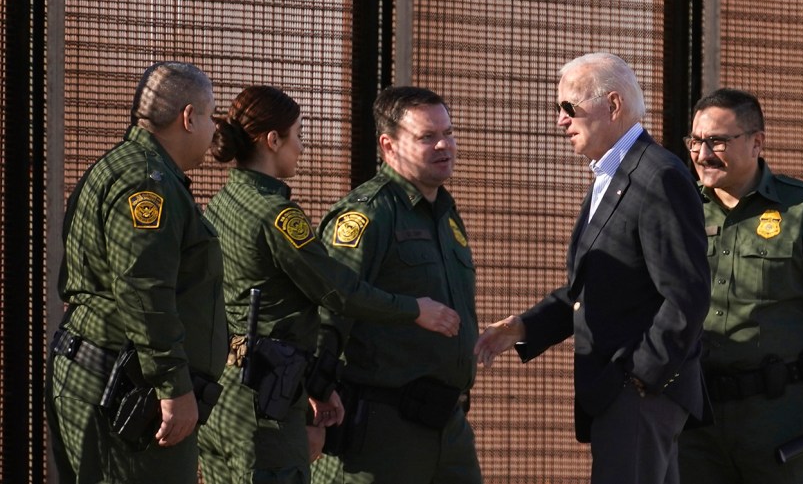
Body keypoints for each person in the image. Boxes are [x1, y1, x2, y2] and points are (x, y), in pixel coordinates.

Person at [196, 85, 461, 483]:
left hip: (224, 393)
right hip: (266, 400)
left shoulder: (222, 203)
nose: (302, 147)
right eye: (298, 135)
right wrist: (414, 309)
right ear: (273, 141)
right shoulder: (277, 214)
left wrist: (316, 389)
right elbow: (338, 290)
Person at [473, 52, 710, 484]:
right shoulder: (613, 174)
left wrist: (640, 377)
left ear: (613, 105)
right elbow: (594, 288)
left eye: (569, 107)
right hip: (623, 394)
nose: (560, 121)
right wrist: (523, 327)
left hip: (639, 394)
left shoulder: (657, 176)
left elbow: (686, 294)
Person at [677, 88, 803, 483]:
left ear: (756, 143)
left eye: (717, 140)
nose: (702, 154)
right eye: (695, 141)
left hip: (778, 418)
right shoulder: (679, 209)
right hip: (695, 419)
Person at [47, 61, 228, 483]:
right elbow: (144, 289)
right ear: (188, 117)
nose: (214, 132)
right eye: (210, 117)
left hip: (110, 377)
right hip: (128, 390)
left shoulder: (122, 168)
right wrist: (174, 386)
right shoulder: (149, 183)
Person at [310, 86, 482, 483]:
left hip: (449, 427)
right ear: (388, 146)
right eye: (427, 137)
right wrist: (315, 397)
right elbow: (329, 307)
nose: (445, 145)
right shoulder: (368, 215)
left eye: (449, 132)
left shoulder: (445, 213)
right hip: (383, 431)